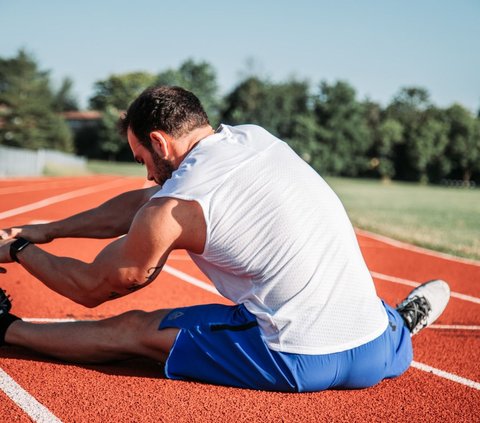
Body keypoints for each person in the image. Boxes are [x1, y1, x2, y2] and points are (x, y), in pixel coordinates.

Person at [0, 86, 450, 392]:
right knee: (340, 290)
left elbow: (93, 288)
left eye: (143, 159)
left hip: (294, 360)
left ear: (158, 142)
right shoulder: (254, 139)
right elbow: (148, 199)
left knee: (132, 329)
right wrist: (46, 230)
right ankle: (401, 327)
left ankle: (5, 330)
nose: (148, 174)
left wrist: (20, 249)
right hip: (375, 350)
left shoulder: (175, 207)